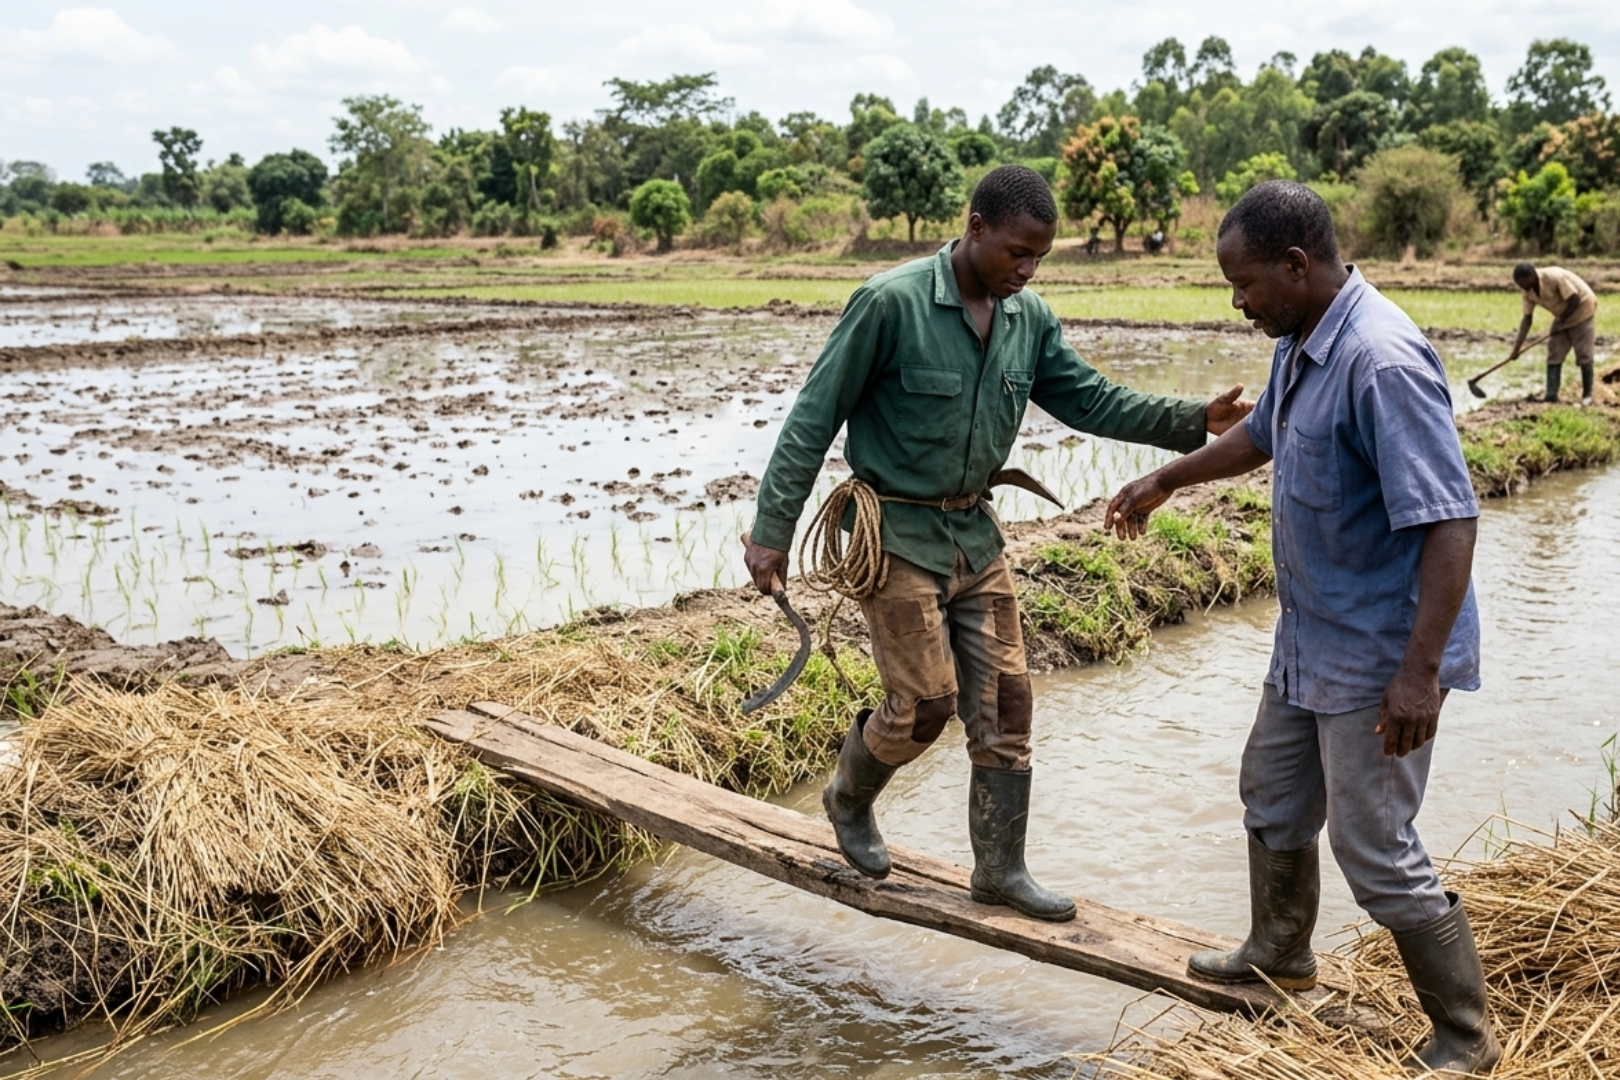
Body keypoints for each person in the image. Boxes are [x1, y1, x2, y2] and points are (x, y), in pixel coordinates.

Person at [742, 164, 1252, 922]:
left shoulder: (1028, 319)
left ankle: (1001, 870)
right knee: (923, 706)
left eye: (1039, 258)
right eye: (1017, 253)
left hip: (973, 535)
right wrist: (771, 531)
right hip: (895, 536)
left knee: (1008, 706)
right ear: (975, 227)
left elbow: (1088, 397)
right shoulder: (891, 304)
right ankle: (848, 797)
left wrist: (1190, 418)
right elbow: (813, 418)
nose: (1027, 270)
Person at [1103, 180, 1498, 1076]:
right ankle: (1279, 950)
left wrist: (1418, 677)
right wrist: (1169, 478)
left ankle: (1466, 1038)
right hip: (1310, 637)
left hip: (1379, 654)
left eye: (1244, 284)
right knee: (1272, 795)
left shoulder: (1380, 361)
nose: (1237, 303)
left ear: (1295, 265)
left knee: (1375, 847)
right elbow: (1263, 438)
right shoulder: (1304, 339)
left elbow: (1449, 522)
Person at [1510, 261, 1598, 404]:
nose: (1522, 288)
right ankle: (1551, 395)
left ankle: (1587, 396)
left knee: (1584, 353)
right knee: (1554, 352)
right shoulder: (1527, 291)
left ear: (1532, 276)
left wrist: (1562, 322)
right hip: (1563, 314)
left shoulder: (1554, 276)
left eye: (1523, 283)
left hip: (1582, 308)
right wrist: (1516, 349)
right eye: (1519, 285)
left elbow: (1574, 298)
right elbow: (1527, 319)